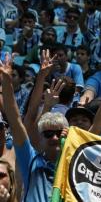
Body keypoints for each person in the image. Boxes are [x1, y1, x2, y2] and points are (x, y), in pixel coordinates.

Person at [1, 52, 69, 201]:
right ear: (40, 139)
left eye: (59, 133)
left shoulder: (75, 166)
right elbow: (16, 119)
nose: (55, 137)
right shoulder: (30, 160)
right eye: (48, 134)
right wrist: (6, 83)